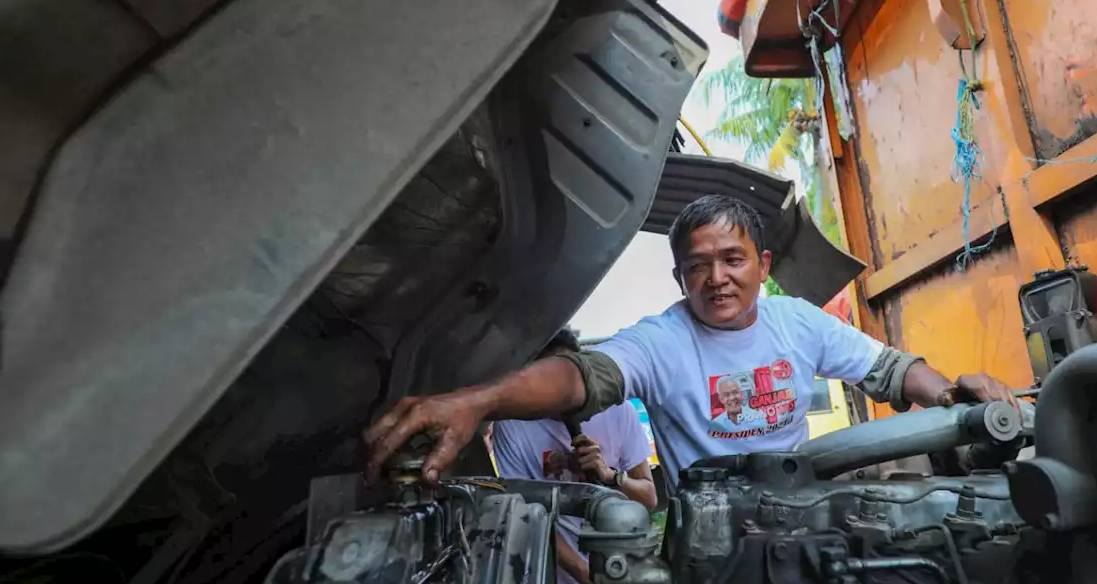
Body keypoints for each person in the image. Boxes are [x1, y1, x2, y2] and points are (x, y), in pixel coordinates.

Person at [364, 194, 1017, 488]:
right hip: (710, 539)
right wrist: (481, 400)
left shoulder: (801, 324)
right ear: (680, 278)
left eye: (732, 260)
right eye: (697, 266)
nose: (717, 278)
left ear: (762, 264)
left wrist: (951, 395)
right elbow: (580, 377)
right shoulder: (663, 341)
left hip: (804, 503)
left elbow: (892, 370)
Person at [490, 329, 656, 584]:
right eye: (546, 382)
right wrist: (584, 574)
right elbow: (522, 514)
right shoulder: (512, 425)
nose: (558, 393)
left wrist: (609, 475)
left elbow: (648, 499)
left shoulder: (618, 410)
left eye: (564, 381)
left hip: (624, 569)